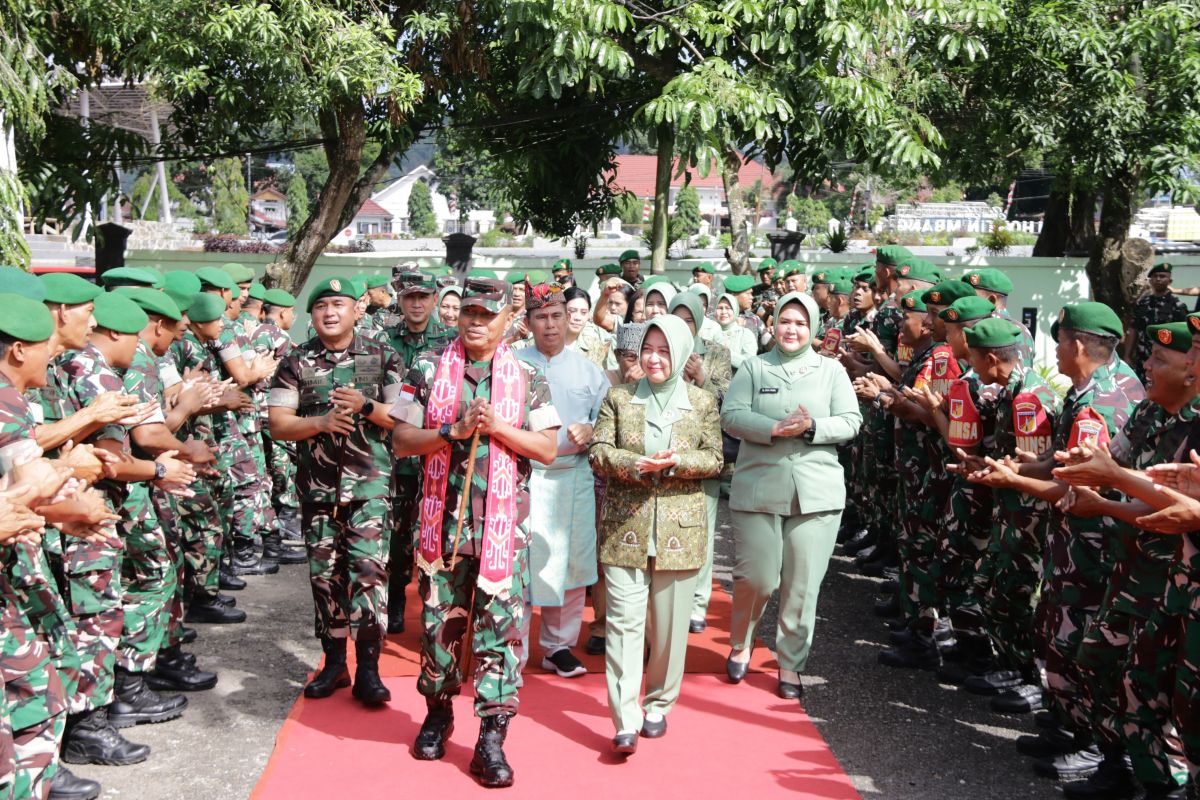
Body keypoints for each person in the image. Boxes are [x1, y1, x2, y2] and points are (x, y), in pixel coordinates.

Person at [391, 277, 560, 788]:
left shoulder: (530, 374)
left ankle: (491, 737)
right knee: (440, 632)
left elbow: (548, 448)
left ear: (507, 320)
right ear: (458, 314)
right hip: (442, 531)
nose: (476, 322)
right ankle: (438, 712)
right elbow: (401, 440)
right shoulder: (425, 368)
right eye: (469, 312)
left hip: (503, 532)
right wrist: (452, 431)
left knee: (501, 638)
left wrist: (499, 429)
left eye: (488, 314)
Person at [588, 315, 722, 755]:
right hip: (626, 526)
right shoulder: (620, 397)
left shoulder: (702, 402)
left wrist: (675, 462)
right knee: (624, 625)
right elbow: (599, 451)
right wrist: (634, 465)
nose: (654, 358)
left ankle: (659, 702)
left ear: (682, 353)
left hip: (679, 531)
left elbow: (715, 460)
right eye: (648, 349)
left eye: (664, 350)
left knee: (667, 630)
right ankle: (624, 719)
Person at [267, 278, 402, 708]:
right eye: (322, 305)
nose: (330, 312)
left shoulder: (383, 357)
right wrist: (320, 423)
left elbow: (404, 420)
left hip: (371, 489)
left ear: (355, 309)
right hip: (319, 491)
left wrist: (367, 406)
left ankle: (369, 669)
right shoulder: (294, 362)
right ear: (312, 315)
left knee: (368, 576)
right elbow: (278, 423)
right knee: (326, 581)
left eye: (338, 304)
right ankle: (333, 663)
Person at [721, 291, 861, 697]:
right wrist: (773, 428)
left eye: (801, 323)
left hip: (816, 491)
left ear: (813, 328)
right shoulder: (754, 367)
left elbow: (851, 420)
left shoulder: (831, 371)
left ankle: (790, 663)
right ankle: (741, 641)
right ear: (774, 323)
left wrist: (813, 427)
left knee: (802, 583)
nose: (792, 329)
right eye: (786, 321)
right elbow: (731, 415)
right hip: (758, 483)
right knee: (758, 578)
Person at [516, 284, 609, 678]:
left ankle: (558, 645)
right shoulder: (511, 363)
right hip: (524, 474)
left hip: (572, 474)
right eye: (541, 317)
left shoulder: (588, 369)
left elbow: (607, 421)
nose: (550, 325)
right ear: (528, 321)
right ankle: (510, 648)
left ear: (567, 319)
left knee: (570, 563)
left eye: (556, 315)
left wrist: (590, 429)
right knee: (519, 563)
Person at [386, 272, 456, 634]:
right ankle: (395, 596)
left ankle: (440, 602)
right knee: (397, 536)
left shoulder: (450, 342)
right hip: (395, 456)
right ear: (400, 300)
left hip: (437, 453)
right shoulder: (382, 340)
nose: (416, 304)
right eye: (410, 297)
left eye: (423, 297)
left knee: (440, 531)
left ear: (434, 299)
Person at [667, 292, 732, 631]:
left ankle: (697, 603)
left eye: (689, 320)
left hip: (703, 453)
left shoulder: (717, 353)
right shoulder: (659, 350)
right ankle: (668, 597)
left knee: (703, 531)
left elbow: (729, 402)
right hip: (665, 452)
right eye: (676, 318)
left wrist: (703, 377)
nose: (682, 326)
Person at [584, 322, 646, 658]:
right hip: (604, 478)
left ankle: (642, 630)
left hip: (648, 481)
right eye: (625, 355)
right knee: (604, 556)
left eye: (638, 355)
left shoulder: (660, 384)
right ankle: (602, 623)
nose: (631, 362)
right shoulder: (604, 380)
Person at [1128, 263, 1188, 380]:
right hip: (1142, 360)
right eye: (1155, 276)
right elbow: (1133, 329)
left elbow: (1183, 335)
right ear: (1150, 281)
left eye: (1162, 276)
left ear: (1170, 281)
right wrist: (1127, 355)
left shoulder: (1177, 305)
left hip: (1166, 361)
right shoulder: (1142, 303)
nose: (1158, 279)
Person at [562, 287, 609, 369]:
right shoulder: (540, 343)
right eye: (572, 311)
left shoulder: (594, 347)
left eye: (583, 313)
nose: (578, 318)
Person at [711, 293, 756, 371]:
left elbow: (749, 364)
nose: (723, 312)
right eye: (720, 308)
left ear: (735, 310)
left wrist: (724, 351)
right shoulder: (710, 332)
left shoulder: (745, 334)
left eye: (728, 308)